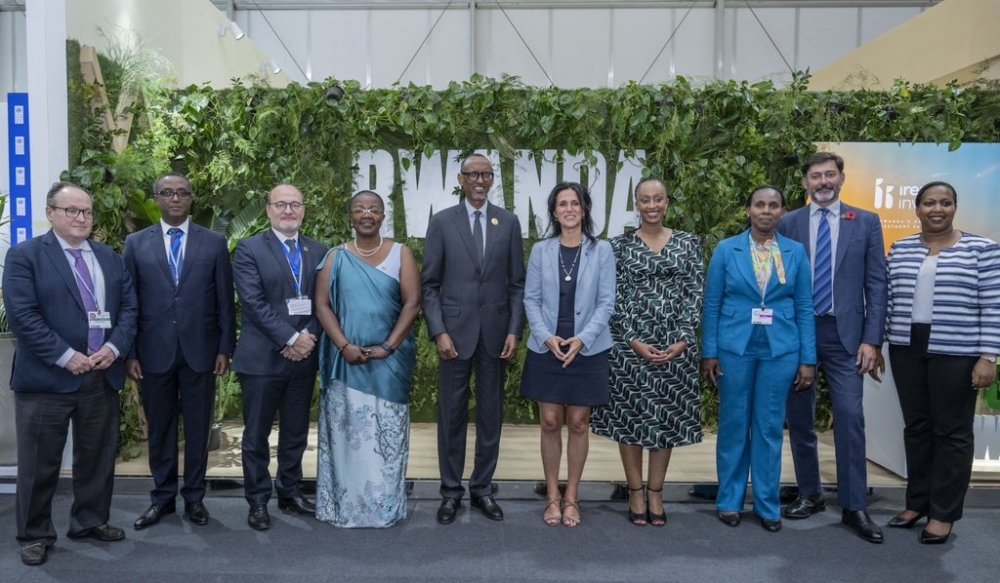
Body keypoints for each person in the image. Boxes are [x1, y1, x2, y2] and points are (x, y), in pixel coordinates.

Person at [2, 183, 137, 566]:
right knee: (39, 463)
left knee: (96, 458)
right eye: (72, 211)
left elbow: (129, 309)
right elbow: (23, 317)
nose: (81, 218)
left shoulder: (109, 257)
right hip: (47, 379)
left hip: (101, 375)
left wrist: (112, 349)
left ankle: (90, 521)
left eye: (87, 212)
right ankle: (34, 533)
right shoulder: (25, 256)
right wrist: (66, 356)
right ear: (51, 213)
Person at [777, 151, 888, 544]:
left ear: (841, 178)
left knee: (849, 417)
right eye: (815, 176)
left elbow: (877, 285)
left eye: (829, 175)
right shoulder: (788, 223)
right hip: (797, 336)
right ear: (805, 182)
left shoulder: (867, 222)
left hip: (847, 339)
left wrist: (872, 339)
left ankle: (854, 504)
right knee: (801, 420)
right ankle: (810, 494)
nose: (822, 182)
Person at [884, 181, 999, 545]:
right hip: (906, 346)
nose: (938, 209)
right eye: (930, 202)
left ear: (954, 207)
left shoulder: (982, 249)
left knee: (953, 432)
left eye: (945, 202)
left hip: (958, 350)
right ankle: (916, 503)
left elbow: (994, 305)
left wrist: (988, 355)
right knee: (917, 427)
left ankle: (943, 512)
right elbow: (888, 301)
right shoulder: (900, 249)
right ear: (917, 209)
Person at [124, 173, 237, 530]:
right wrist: (130, 352)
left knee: (199, 428)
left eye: (182, 193)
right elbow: (129, 302)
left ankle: (194, 498)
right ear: (156, 198)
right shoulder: (135, 243)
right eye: (167, 192)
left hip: (201, 351)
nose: (175, 198)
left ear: (192, 199)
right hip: (152, 351)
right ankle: (162, 499)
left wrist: (225, 347)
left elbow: (224, 299)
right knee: (159, 429)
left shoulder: (214, 242)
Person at [700, 185, 816, 533]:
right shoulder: (726, 250)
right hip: (734, 347)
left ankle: (767, 505)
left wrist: (807, 358)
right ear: (748, 210)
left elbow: (805, 307)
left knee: (768, 427)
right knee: (734, 423)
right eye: (759, 205)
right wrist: (709, 351)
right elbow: (713, 303)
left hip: (781, 349)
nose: (766, 211)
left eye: (773, 206)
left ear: (782, 212)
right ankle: (730, 500)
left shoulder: (795, 252)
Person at [592, 177, 704, 527]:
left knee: (665, 422)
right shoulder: (619, 246)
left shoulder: (688, 244)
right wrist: (633, 340)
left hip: (676, 346)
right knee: (632, 421)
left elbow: (695, 294)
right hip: (630, 348)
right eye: (645, 200)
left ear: (667, 202)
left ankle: (656, 492)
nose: (652, 205)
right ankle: (635, 490)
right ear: (636, 204)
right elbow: (611, 298)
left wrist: (684, 339)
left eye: (658, 199)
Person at [421, 153, 526, 525]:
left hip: (497, 336)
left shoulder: (508, 222)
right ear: (461, 179)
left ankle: (482, 488)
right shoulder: (442, 222)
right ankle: (451, 492)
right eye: (472, 174)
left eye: (486, 174)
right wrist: (439, 332)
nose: (479, 180)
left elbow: (516, 285)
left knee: (490, 414)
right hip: (453, 336)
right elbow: (429, 285)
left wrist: (515, 329)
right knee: (451, 415)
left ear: (492, 180)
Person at [314, 191, 421, 527]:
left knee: (386, 437)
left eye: (373, 209)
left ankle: (385, 509)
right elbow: (322, 306)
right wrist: (344, 345)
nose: (367, 214)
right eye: (360, 209)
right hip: (346, 362)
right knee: (349, 437)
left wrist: (388, 346)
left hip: (389, 363)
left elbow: (413, 303)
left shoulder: (401, 254)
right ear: (350, 216)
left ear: (382, 216)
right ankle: (346, 508)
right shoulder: (335, 257)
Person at [231, 184, 328, 530]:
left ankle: (290, 492)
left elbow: (324, 302)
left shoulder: (319, 250)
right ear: (269, 209)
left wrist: (308, 338)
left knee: (296, 432)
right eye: (281, 204)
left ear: (303, 210)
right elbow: (253, 304)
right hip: (262, 360)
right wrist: (290, 338)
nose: (289, 211)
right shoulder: (249, 249)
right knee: (256, 435)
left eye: (295, 205)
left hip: (304, 358)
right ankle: (258, 501)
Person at [522, 182, 615, 528]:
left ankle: (572, 496)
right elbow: (530, 299)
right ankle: (552, 495)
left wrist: (582, 339)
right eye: (562, 204)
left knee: (578, 423)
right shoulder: (541, 251)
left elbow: (607, 301)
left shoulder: (601, 250)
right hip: (547, 347)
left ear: (584, 209)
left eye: (575, 203)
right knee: (549, 423)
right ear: (555, 212)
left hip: (587, 349)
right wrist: (547, 338)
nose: (569, 209)